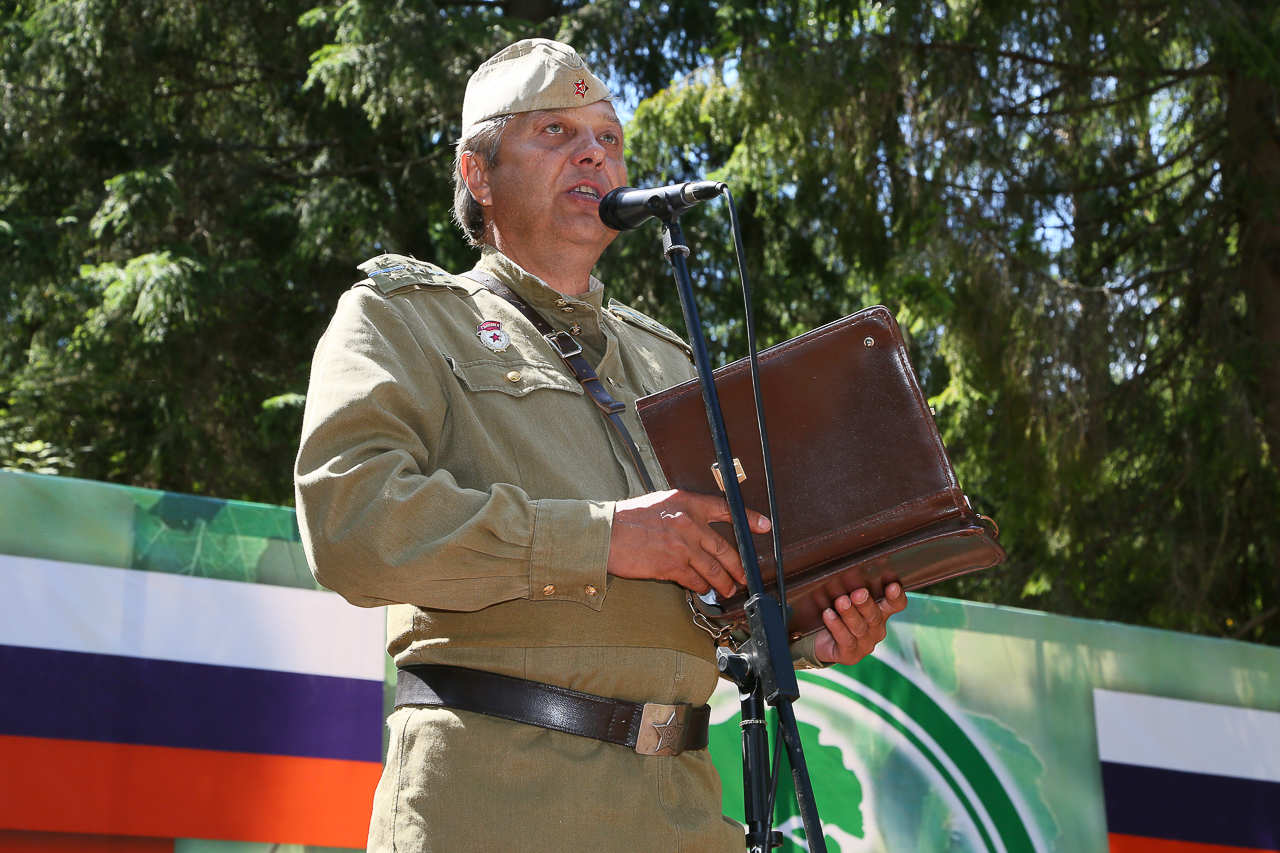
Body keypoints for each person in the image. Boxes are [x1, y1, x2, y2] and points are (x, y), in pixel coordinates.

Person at [294, 38, 907, 853]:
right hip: (492, 806)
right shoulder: (403, 320)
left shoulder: (674, 360)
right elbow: (351, 525)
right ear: (478, 174)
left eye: (609, 138)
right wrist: (602, 538)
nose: (594, 152)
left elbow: (719, 587)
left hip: (679, 812)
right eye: (554, 131)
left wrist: (808, 633)